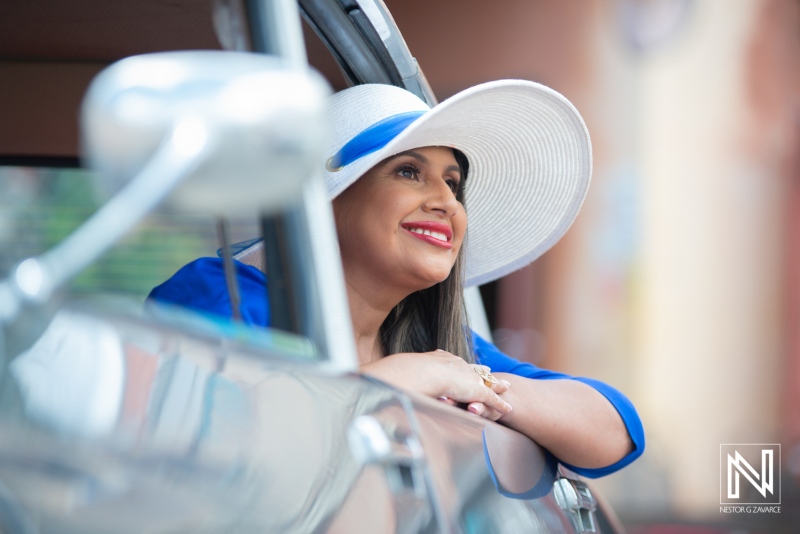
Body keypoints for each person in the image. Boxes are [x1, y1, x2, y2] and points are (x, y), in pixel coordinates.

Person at [148, 80, 645, 478]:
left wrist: (480, 385)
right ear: (328, 199)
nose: (447, 202)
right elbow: (228, 455)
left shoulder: (427, 339)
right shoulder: (219, 297)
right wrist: (401, 381)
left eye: (453, 182)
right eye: (409, 172)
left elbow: (617, 431)